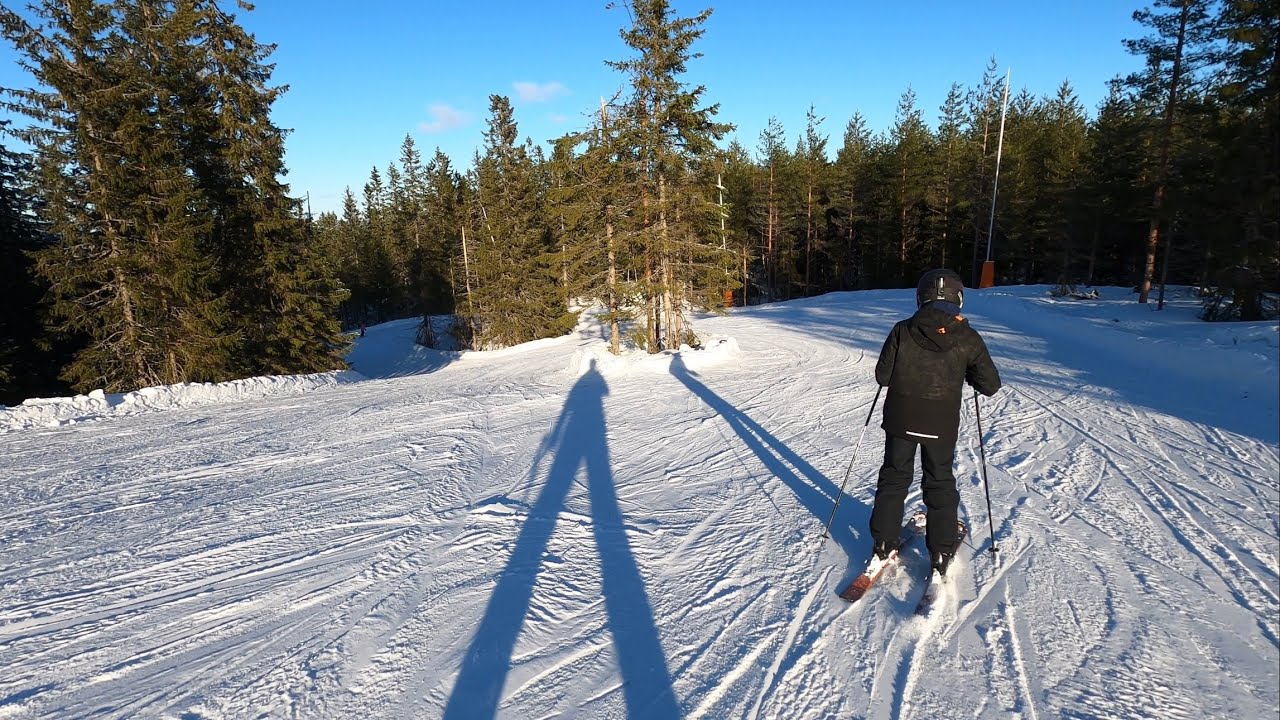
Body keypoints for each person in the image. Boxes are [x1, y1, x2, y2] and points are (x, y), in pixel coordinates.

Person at [870, 268, 1002, 577]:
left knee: (894, 477)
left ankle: (882, 543)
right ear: (958, 297)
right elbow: (990, 385)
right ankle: (941, 551)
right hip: (940, 422)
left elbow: (882, 376)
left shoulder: (903, 330)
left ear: (921, 296)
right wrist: (968, 371)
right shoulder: (967, 336)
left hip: (901, 417)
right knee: (939, 480)